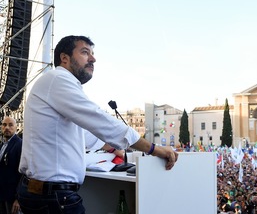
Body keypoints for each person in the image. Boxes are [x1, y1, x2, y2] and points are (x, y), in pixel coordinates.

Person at [17, 35, 178, 214]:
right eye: (85, 52)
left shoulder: (56, 84)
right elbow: (100, 120)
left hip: (45, 193)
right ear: (64, 58)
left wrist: (111, 147)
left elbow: (81, 133)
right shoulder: (58, 79)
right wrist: (154, 149)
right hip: (53, 196)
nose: (93, 59)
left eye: (92, 54)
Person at [0, 117, 22, 214]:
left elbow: (23, 174)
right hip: (2, 195)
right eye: (4, 125)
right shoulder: (2, 145)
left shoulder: (19, 144)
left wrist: (18, 198)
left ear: (16, 128)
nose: (7, 128)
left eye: (10, 125)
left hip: (13, 198)